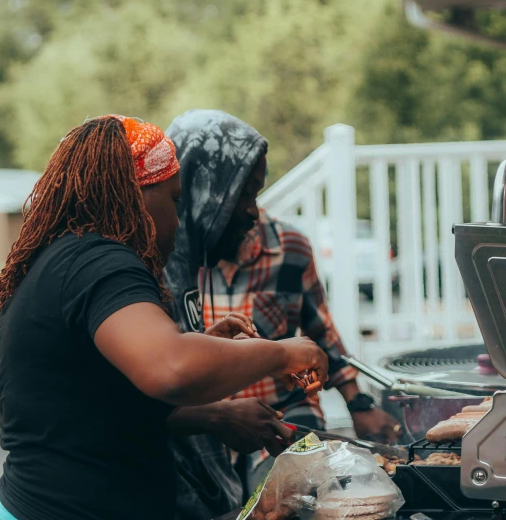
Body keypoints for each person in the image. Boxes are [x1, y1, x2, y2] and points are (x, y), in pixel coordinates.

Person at [0, 115, 329, 520]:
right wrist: (281, 354)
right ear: (134, 195)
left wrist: (204, 345)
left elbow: (100, 403)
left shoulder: (66, 258)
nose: (178, 219)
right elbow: (171, 368)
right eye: (174, 200)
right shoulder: (101, 261)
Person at [164, 110, 402, 496]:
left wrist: (358, 403)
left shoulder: (289, 248)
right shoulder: (173, 260)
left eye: (256, 193)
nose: (252, 211)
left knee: (301, 498)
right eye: (245, 193)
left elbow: (321, 331)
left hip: (285, 417)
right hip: (211, 423)